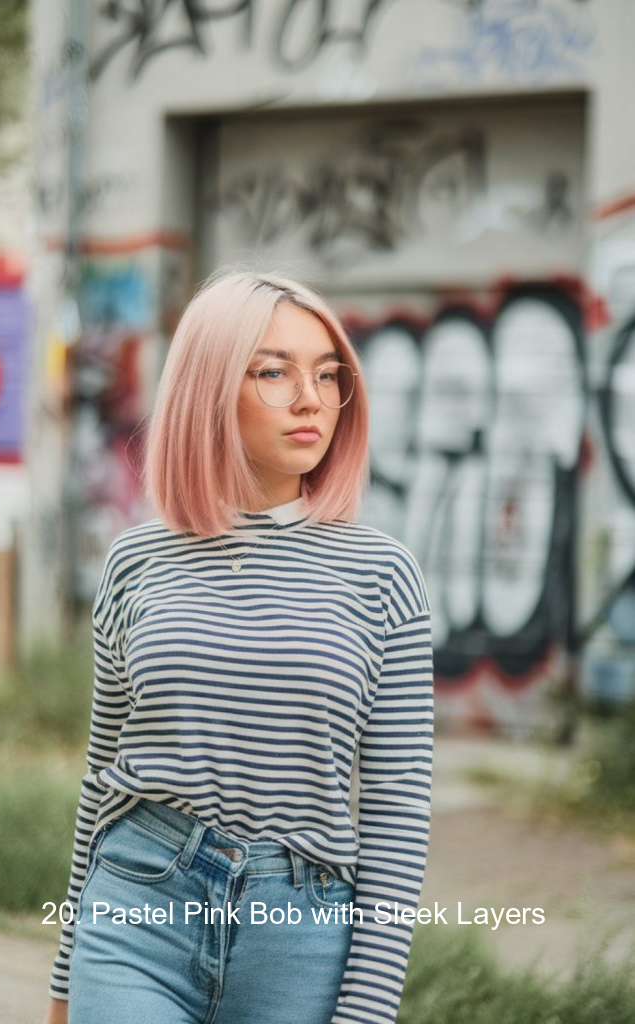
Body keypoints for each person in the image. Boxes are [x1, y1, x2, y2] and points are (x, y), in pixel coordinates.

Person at [43, 269, 433, 1024]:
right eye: (273, 372)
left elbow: (397, 809)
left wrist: (369, 1009)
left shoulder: (383, 574)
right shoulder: (135, 561)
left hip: (300, 929)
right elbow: (101, 780)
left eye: (327, 375)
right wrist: (65, 977)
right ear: (209, 387)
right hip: (137, 903)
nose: (310, 397)